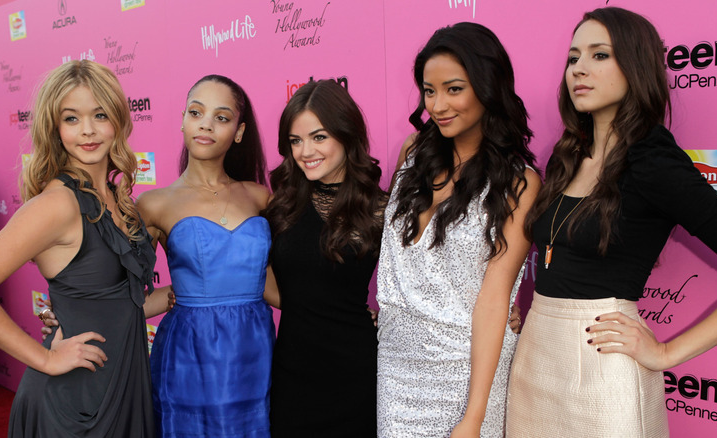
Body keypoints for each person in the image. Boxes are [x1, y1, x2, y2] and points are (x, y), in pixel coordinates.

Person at [506, 7, 717, 437]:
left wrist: (666, 353)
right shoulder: (567, 155)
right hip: (535, 362)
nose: (579, 69)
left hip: (604, 371)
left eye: (599, 55)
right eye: (573, 57)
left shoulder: (652, 159)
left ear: (635, 65)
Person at [0, 60, 164, 437]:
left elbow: (122, 304)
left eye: (99, 114)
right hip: (74, 406)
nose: (88, 131)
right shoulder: (58, 204)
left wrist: (178, 297)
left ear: (119, 120)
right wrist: (43, 357)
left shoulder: (116, 197)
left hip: (120, 386)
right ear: (55, 128)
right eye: (72, 118)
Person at [376, 23, 540, 437]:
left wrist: (474, 417)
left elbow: (494, 297)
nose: (437, 105)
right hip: (396, 367)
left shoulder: (518, 183)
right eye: (429, 91)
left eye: (453, 88)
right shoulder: (412, 154)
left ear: (487, 87)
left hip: (467, 368)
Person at [140, 74, 274, 438]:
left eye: (222, 117)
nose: (206, 124)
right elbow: (124, 292)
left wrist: (347, 312)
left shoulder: (261, 197)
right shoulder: (154, 203)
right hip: (189, 352)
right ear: (183, 120)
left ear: (239, 131)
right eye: (196, 112)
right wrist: (72, 315)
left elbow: (280, 287)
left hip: (255, 350)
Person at [263, 80, 387, 436]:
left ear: (346, 135)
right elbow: (262, 279)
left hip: (357, 373)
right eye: (295, 140)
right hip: (293, 373)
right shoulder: (281, 205)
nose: (305, 151)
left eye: (319, 137)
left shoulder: (380, 209)